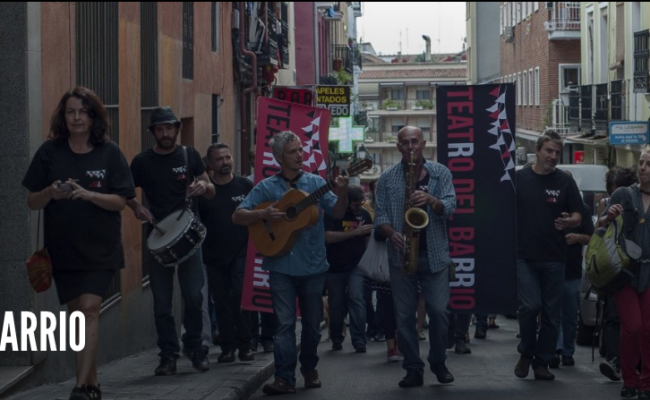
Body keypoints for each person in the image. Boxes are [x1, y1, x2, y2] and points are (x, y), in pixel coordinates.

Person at [22, 87, 136, 400]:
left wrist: (87, 194)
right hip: (64, 249)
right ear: (64, 116)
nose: (76, 118)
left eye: (83, 112)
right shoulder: (50, 152)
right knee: (77, 316)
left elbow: (121, 200)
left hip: (101, 248)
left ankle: (79, 387)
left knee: (89, 308)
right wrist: (49, 194)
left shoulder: (109, 153)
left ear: (93, 116)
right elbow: (32, 201)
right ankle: (93, 384)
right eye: (71, 112)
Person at [233, 130, 349, 395]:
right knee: (284, 324)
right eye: (293, 152)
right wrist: (262, 213)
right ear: (279, 158)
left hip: (312, 266)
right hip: (280, 266)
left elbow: (338, 212)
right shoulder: (266, 187)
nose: (300, 155)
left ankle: (309, 368)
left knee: (311, 325)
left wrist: (342, 193)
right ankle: (285, 377)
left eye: (300, 150)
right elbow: (237, 216)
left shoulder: (315, 183)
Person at [127, 106, 215, 376]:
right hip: (158, 237)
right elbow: (126, 192)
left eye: (169, 128)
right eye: (160, 129)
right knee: (162, 303)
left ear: (177, 129)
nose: (165, 133)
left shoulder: (189, 155)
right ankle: (168, 355)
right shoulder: (142, 161)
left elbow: (210, 187)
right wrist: (135, 207)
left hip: (189, 238)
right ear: (153, 132)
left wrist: (203, 186)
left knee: (192, 296)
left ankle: (194, 346)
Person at [374, 125, 457, 388]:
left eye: (415, 142)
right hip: (401, 256)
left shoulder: (440, 173)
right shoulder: (387, 178)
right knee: (404, 316)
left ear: (424, 143)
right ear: (398, 147)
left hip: (434, 255)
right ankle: (412, 368)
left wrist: (431, 200)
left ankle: (438, 361)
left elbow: (451, 206)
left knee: (439, 311)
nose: (411, 147)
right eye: (405, 143)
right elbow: (380, 217)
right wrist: (392, 234)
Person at [514, 130, 583, 381]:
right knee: (531, 306)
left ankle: (542, 363)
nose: (553, 156)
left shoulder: (564, 180)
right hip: (524, 256)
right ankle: (526, 353)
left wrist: (570, 221)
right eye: (549, 151)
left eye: (557, 152)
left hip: (555, 257)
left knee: (552, 315)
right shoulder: (519, 178)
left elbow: (578, 215)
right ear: (538, 150)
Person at [198, 143, 254, 363]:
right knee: (220, 302)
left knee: (239, 296)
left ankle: (246, 345)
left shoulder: (244, 185)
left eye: (228, 157)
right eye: (219, 159)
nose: (225, 162)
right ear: (210, 164)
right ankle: (227, 347)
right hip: (213, 255)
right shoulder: (205, 191)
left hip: (242, 251)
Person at [602, 151, 650, 399]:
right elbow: (600, 223)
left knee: (648, 330)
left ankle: (646, 384)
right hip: (625, 271)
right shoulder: (623, 193)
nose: (643, 168)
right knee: (632, 328)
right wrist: (609, 217)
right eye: (641, 163)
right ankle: (629, 379)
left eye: (648, 164)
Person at [549, 172, 594, 368]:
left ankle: (568, 350)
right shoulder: (550, 206)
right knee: (553, 314)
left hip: (572, 271)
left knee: (569, 315)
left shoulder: (582, 210)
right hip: (551, 268)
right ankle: (556, 350)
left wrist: (576, 237)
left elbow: (592, 238)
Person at [597, 166, 637, 381]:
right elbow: (598, 229)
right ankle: (614, 360)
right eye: (612, 191)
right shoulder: (608, 203)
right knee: (613, 316)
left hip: (639, 268)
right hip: (616, 267)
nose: (617, 195)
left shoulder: (641, 199)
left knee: (637, 323)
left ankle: (632, 363)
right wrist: (608, 217)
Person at [325, 185, 373, 352]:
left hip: (357, 266)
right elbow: (328, 237)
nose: (359, 208)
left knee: (357, 300)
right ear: (346, 201)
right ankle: (336, 338)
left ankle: (359, 340)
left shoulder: (365, 214)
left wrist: (368, 262)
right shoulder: (335, 213)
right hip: (334, 266)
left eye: (361, 204)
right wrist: (355, 232)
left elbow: (367, 240)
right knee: (336, 305)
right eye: (355, 205)